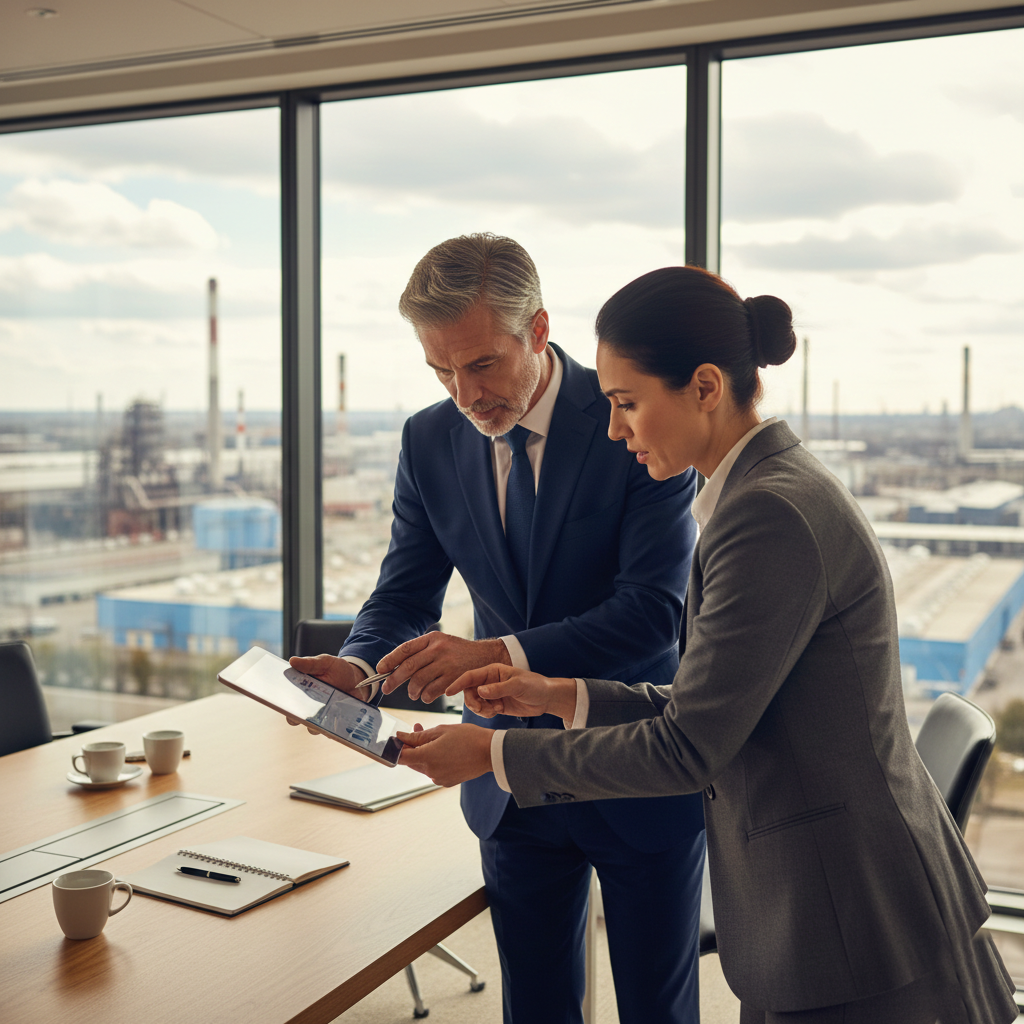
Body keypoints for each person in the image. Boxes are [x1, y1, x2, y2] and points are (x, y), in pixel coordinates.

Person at [397, 265, 1019, 1024]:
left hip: (849, 916)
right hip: (825, 905)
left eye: (627, 403)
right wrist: (559, 694)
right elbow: (717, 700)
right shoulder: (753, 496)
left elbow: (688, 748)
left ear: (703, 387)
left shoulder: (769, 518)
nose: (616, 427)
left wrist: (492, 755)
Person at [290, 235, 706, 1024]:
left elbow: (654, 610)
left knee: (659, 1009)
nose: (463, 392)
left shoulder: (636, 417)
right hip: (506, 780)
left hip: (632, 762)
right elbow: (405, 590)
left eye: (481, 364)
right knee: (535, 1008)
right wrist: (361, 668)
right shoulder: (429, 439)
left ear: (539, 330)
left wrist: (494, 653)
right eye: (441, 370)